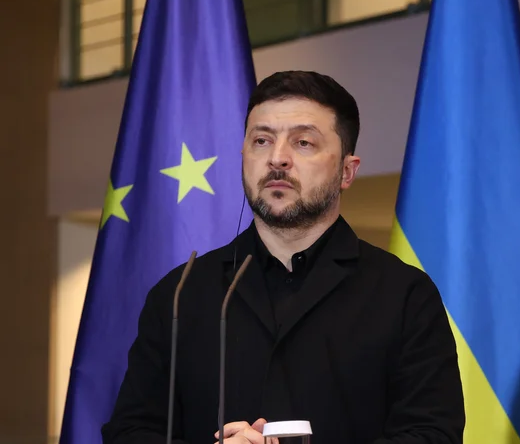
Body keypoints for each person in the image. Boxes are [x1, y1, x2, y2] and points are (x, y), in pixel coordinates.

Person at [102, 71, 465, 443]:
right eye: (261, 141)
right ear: (243, 157)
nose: (277, 159)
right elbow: (129, 432)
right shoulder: (181, 292)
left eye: (303, 142)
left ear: (347, 171)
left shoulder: (404, 294)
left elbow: (434, 435)